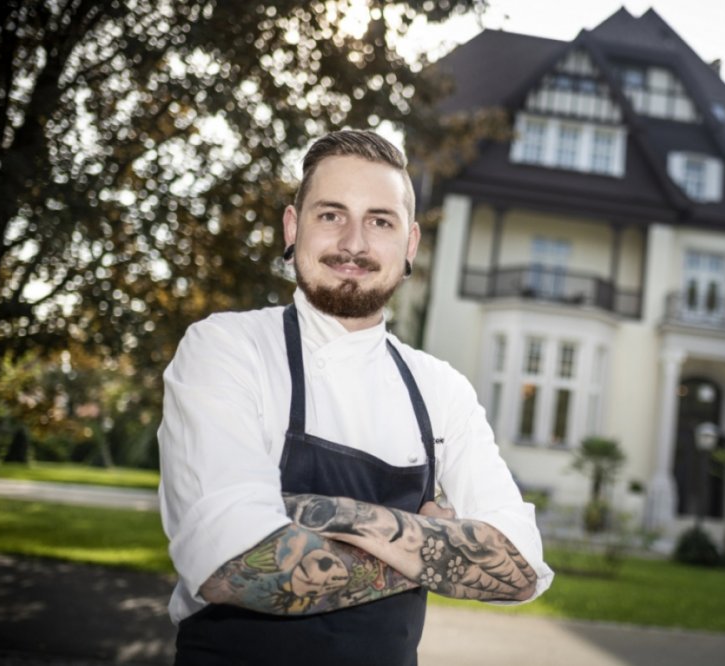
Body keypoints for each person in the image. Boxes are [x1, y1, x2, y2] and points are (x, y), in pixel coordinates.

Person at [157, 129, 553, 665]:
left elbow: (521, 565)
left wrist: (301, 519)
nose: (354, 243)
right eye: (330, 215)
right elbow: (233, 565)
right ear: (293, 228)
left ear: (409, 244)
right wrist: (432, 543)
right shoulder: (227, 347)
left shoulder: (441, 388)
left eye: (380, 221)